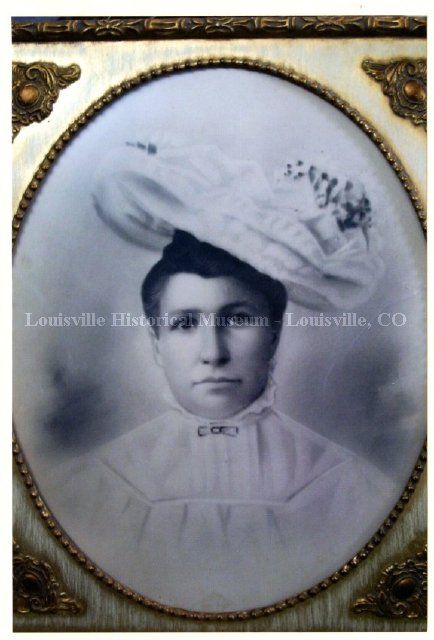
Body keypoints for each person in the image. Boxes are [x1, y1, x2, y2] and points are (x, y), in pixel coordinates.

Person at [52, 141, 400, 613]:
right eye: (184, 323)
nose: (212, 354)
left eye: (238, 319)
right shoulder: (95, 489)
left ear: (274, 335)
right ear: (156, 342)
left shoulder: (349, 489)